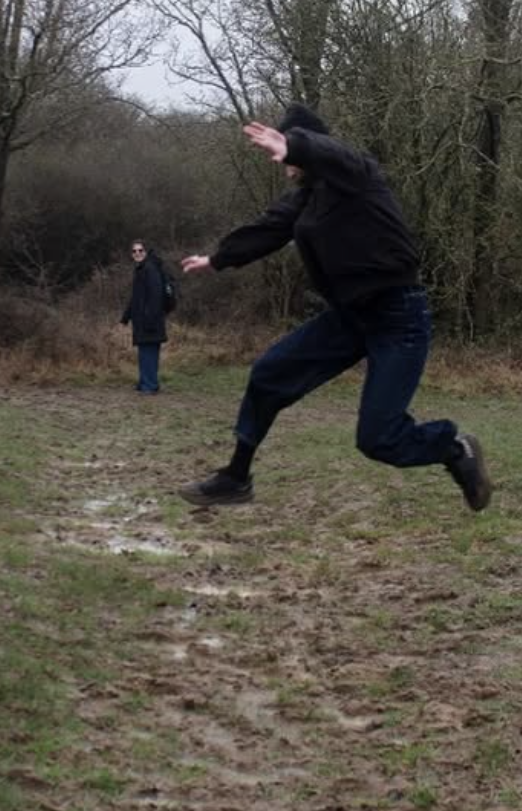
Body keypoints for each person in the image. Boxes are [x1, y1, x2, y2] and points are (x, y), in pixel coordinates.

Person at [178, 105, 492, 511]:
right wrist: (218, 259)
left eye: (288, 157)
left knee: (378, 439)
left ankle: (454, 449)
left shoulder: (357, 174)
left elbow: (337, 153)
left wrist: (294, 145)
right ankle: (235, 478)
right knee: (269, 374)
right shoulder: (306, 199)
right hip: (350, 316)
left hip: (397, 316)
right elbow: (270, 227)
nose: (284, 167)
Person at [121, 239, 169, 394]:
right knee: (145, 352)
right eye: (134, 251)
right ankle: (145, 383)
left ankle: (149, 386)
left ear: (146, 252)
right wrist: (126, 316)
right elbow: (136, 297)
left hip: (150, 321)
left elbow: (156, 296)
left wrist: (149, 318)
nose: (137, 253)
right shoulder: (142, 269)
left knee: (148, 353)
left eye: (140, 250)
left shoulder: (150, 269)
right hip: (143, 320)